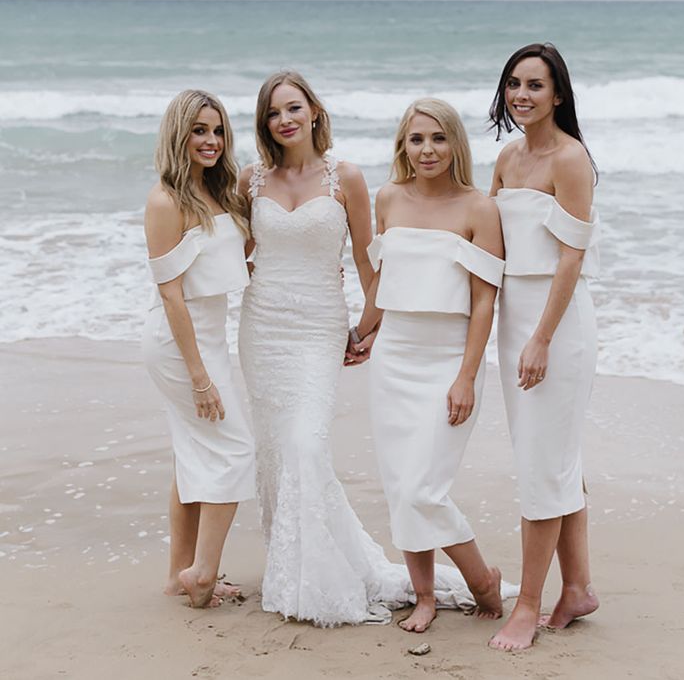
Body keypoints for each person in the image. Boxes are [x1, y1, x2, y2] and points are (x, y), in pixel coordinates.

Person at [237, 72, 483, 626]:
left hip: (320, 328)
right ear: (265, 123)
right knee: (277, 451)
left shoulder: (344, 177)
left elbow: (374, 267)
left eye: (294, 107)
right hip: (262, 329)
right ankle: (291, 568)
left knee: (305, 443)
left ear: (315, 111)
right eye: (274, 113)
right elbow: (237, 251)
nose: (286, 120)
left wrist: (373, 327)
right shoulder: (251, 180)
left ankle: (325, 571)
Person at [351, 98, 506, 634]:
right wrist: (362, 330)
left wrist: (466, 376)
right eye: (416, 139)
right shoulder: (388, 197)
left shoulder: (479, 209)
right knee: (401, 486)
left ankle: (481, 580)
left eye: (438, 138)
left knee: (425, 489)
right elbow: (383, 284)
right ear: (403, 145)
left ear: (455, 144)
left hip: (448, 361)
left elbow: (485, 301)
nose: (427, 150)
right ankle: (424, 596)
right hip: (394, 357)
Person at [487, 43, 600, 651]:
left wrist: (542, 338)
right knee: (557, 461)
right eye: (513, 84)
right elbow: (488, 243)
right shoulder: (506, 156)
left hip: (556, 328)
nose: (522, 95)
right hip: (513, 324)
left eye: (535, 85)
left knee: (540, 466)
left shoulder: (571, 159)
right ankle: (577, 587)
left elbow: (572, 258)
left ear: (558, 94)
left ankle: (528, 605)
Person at [142, 90, 254, 608]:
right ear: (178, 135)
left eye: (217, 130)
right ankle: (203, 575)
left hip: (208, 336)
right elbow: (171, 293)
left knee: (192, 458)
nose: (211, 141)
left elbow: (230, 257)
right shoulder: (166, 200)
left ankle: (176, 576)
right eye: (199, 130)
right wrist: (200, 378)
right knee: (234, 450)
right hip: (179, 345)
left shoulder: (219, 192)